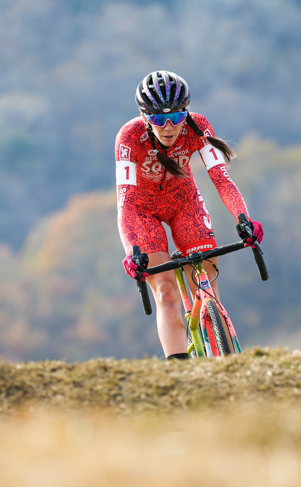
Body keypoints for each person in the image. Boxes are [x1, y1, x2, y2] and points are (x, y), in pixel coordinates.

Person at [115, 70, 263, 360]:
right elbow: (126, 201)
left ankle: (221, 350)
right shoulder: (129, 137)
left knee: (206, 282)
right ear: (145, 117)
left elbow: (221, 178)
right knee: (166, 293)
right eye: (159, 119)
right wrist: (134, 249)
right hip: (142, 212)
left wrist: (243, 219)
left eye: (177, 117)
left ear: (187, 112)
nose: (169, 127)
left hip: (184, 204)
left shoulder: (198, 126)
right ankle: (180, 375)